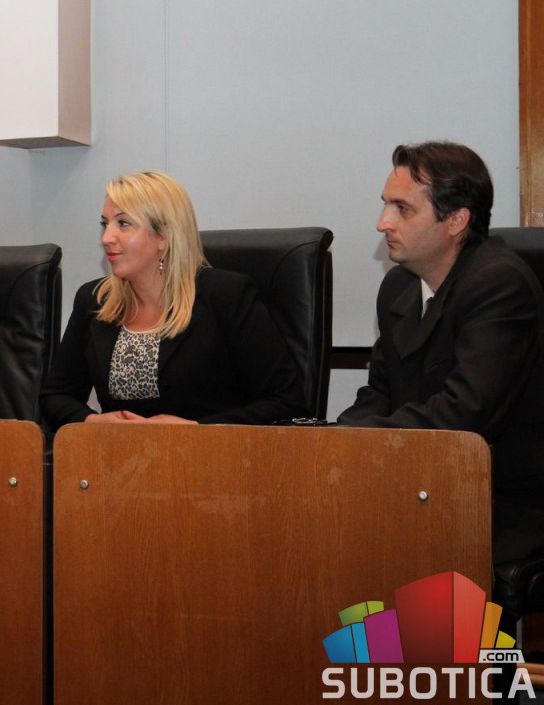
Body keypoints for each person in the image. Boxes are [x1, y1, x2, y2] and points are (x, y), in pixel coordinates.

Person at [338, 141, 544, 564]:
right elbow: (379, 392)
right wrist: (332, 441)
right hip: (419, 485)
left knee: (368, 559)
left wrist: (361, 440)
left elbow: (465, 413)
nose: (382, 223)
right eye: (385, 205)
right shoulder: (398, 285)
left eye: (402, 209)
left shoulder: (499, 284)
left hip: (495, 502)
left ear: (456, 220)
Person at [39, 171, 305, 427]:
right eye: (104, 224)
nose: (106, 238)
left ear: (163, 237)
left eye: (123, 223)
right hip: (115, 453)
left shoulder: (227, 296)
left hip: (208, 453)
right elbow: (56, 396)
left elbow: (287, 401)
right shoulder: (95, 300)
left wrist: (196, 429)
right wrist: (94, 421)